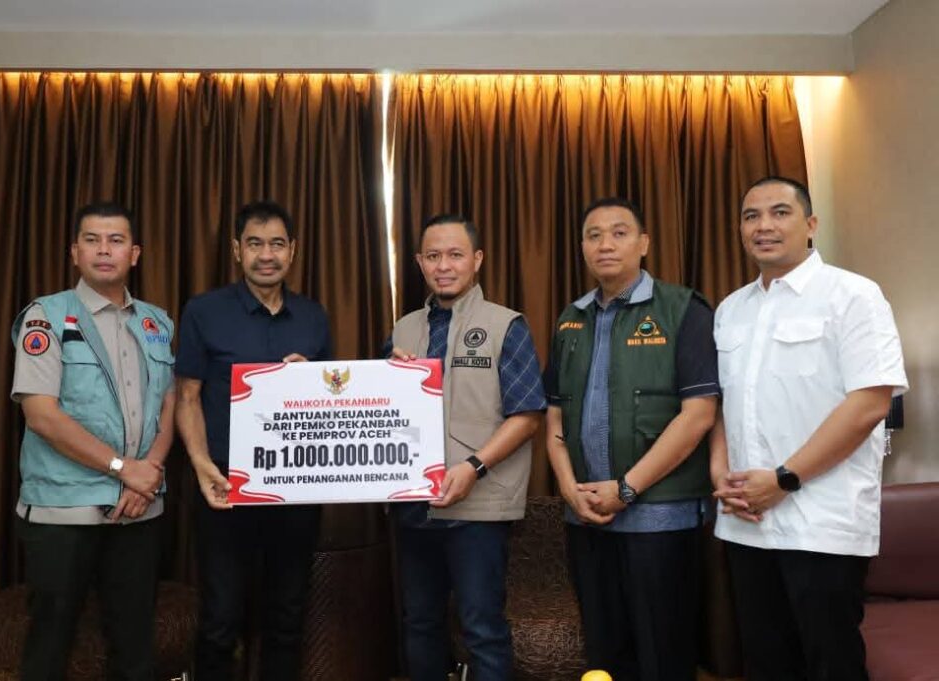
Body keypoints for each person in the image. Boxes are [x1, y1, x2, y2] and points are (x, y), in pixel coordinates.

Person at [712, 176, 908, 681]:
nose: (764, 226)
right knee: (766, 663)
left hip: (823, 523)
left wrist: (784, 479)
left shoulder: (853, 295)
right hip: (747, 521)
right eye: (751, 216)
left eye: (780, 212)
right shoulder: (731, 309)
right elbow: (724, 406)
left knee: (831, 663)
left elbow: (869, 403)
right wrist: (721, 476)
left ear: (811, 224)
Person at [544, 197, 718, 681]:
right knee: (604, 655)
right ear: (582, 247)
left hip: (661, 517)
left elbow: (699, 415)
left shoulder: (683, 309)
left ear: (644, 243)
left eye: (619, 233)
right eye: (593, 235)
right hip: (587, 516)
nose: (605, 244)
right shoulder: (570, 319)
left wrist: (626, 488)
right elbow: (554, 417)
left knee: (663, 655)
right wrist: (568, 489)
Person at [10, 201, 175, 681]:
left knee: (135, 649)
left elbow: (170, 406)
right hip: (63, 513)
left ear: (134, 254)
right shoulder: (46, 317)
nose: (104, 250)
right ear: (74, 252)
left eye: (116, 240)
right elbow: (42, 416)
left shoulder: (157, 322)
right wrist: (124, 469)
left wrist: (146, 475)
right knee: (50, 646)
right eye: (92, 240)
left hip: (139, 510)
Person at [175, 200, 331, 680]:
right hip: (225, 486)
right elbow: (187, 397)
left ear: (293, 251)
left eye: (277, 244)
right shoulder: (204, 311)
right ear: (237, 250)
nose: (267, 255)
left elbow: (330, 406)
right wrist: (201, 464)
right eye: (256, 244)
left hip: (296, 489)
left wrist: (312, 381)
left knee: (287, 616)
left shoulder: (313, 317)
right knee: (221, 618)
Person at [387, 213, 546, 681]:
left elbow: (528, 416)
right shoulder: (403, 330)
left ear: (476, 260)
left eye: (455, 255)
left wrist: (473, 467)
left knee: (482, 628)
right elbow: (371, 408)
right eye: (433, 256)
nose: (444, 266)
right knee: (419, 623)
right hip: (414, 505)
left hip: (479, 507)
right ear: (419, 262)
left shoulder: (505, 324)